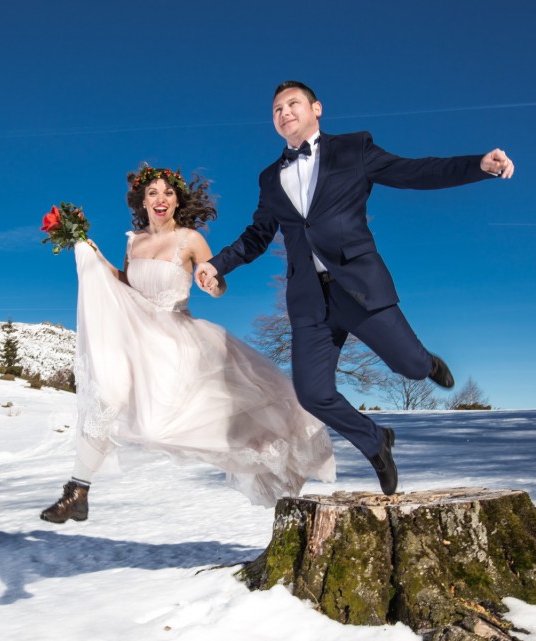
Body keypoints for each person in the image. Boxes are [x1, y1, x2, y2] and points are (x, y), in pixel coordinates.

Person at [195, 81, 515, 497]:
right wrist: (217, 265)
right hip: (310, 301)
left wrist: (478, 166)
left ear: (316, 109)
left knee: (410, 368)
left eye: (293, 103)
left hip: (359, 286)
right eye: (276, 109)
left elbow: (413, 171)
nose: (284, 112)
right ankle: (375, 440)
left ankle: (424, 362)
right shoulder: (269, 178)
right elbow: (257, 235)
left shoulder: (353, 149)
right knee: (313, 393)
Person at [40, 165, 335, 523]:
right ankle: (78, 490)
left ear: (178, 200)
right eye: (153, 193)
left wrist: (215, 285)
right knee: (105, 399)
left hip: (172, 341)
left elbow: (215, 280)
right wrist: (92, 253)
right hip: (133, 335)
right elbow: (127, 286)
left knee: (158, 426)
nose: (160, 199)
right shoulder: (134, 241)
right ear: (142, 201)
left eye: (168, 193)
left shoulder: (189, 239)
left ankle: (259, 446)